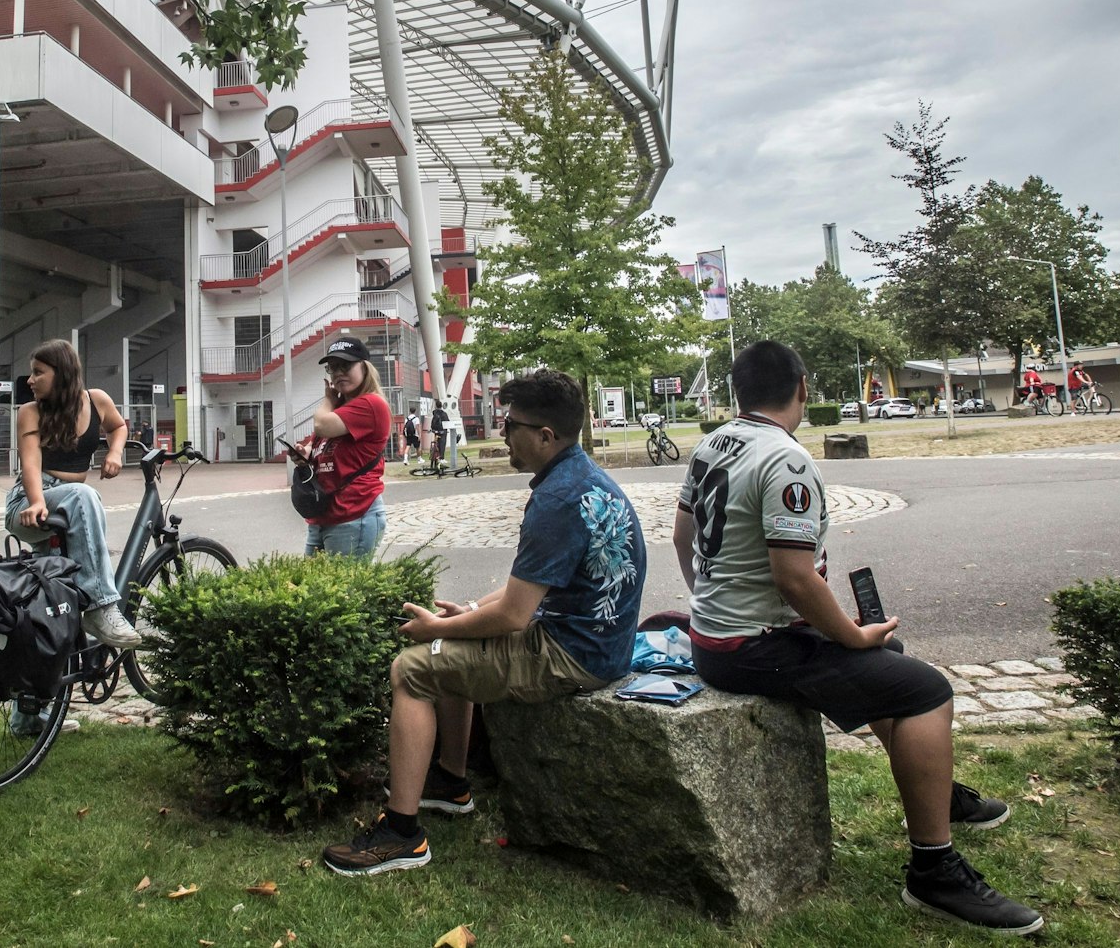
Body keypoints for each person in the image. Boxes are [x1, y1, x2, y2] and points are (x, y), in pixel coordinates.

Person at [674, 340, 1043, 936]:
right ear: (802, 388)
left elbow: (682, 537)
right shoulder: (787, 460)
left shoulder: (712, 444)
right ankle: (934, 871)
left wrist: (712, 603)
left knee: (889, 659)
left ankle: (938, 791)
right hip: (755, 648)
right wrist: (850, 636)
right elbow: (794, 577)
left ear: (738, 392)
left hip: (716, 638)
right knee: (926, 691)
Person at [323, 369, 646, 876]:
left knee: (412, 669)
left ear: (545, 436)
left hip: (573, 655)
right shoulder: (582, 478)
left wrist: (436, 630)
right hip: (597, 643)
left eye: (510, 425)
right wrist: (471, 611)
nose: (502, 433)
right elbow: (530, 589)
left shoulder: (556, 501)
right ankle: (450, 783)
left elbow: (515, 614)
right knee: (455, 650)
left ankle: (402, 835)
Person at [4, 338, 142, 648]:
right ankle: (100, 607)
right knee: (83, 495)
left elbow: (118, 427)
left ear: (62, 373)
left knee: (55, 591)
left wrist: (115, 453)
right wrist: (36, 501)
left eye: (38, 372)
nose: (30, 380)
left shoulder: (97, 400)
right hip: (29, 501)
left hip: (69, 505)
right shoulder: (29, 411)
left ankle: (57, 664)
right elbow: (30, 462)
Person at [287, 336, 390, 557]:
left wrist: (328, 399)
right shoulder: (340, 409)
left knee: (345, 580)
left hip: (354, 514)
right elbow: (320, 445)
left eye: (346, 365)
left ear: (364, 367)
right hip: (324, 514)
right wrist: (304, 454)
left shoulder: (371, 404)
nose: (339, 373)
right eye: (333, 368)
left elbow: (321, 425)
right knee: (313, 580)